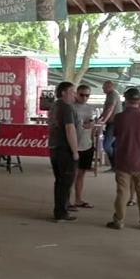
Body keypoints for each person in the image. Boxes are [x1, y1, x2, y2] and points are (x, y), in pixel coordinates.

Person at [107, 88, 140, 230]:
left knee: (122, 192)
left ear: (125, 100)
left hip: (123, 160)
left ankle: (119, 221)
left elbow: (116, 135)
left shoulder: (119, 117)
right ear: (139, 100)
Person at [48, 81, 80, 222]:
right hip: (64, 149)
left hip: (54, 147)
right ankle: (61, 212)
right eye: (72, 92)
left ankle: (61, 208)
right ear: (63, 93)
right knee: (66, 181)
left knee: (60, 181)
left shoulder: (55, 106)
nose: (74, 95)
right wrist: (75, 151)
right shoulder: (66, 108)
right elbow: (69, 129)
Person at [71, 84, 96, 210]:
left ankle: (78, 199)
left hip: (87, 144)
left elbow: (92, 124)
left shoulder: (90, 108)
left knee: (81, 174)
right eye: (82, 95)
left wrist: (92, 124)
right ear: (76, 94)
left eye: (87, 95)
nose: (85, 97)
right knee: (71, 175)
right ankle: (66, 201)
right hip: (74, 145)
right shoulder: (70, 108)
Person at [99, 80, 122, 170]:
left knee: (106, 146)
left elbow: (110, 109)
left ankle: (117, 164)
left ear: (110, 87)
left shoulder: (112, 94)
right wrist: (100, 118)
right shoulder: (110, 95)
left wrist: (103, 122)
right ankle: (115, 166)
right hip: (113, 123)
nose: (103, 89)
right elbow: (106, 110)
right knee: (113, 146)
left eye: (104, 87)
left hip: (114, 123)